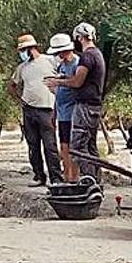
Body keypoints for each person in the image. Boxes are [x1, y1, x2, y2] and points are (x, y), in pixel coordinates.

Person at [45, 23, 106, 181]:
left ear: (79, 38)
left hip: (85, 106)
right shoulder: (97, 54)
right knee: (90, 146)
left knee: (78, 147)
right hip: (92, 106)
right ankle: (95, 181)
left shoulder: (86, 56)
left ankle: (88, 179)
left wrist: (59, 83)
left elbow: (77, 81)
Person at [8, 34, 64, 187]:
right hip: (29, 110)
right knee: (33, 145)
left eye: (23, 50)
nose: (22, 54)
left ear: (31, 48)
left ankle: (56, 178)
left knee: (50, 145)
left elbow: (64, 73)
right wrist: (20, 100)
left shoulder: (50, 60)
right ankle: (39, 176)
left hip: (47, 109)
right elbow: (12, 85)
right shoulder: (22, 68)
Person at [47, 33, 81, 181]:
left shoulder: (77, 64)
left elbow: (77, 84)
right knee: (64, 148)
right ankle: (66, 175)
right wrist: (54, 114)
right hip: (62, 113)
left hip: (72, 112)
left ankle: (74, 177)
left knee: (71, 148)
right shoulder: (61, 66)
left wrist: (59, 82)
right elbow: (59, 93)